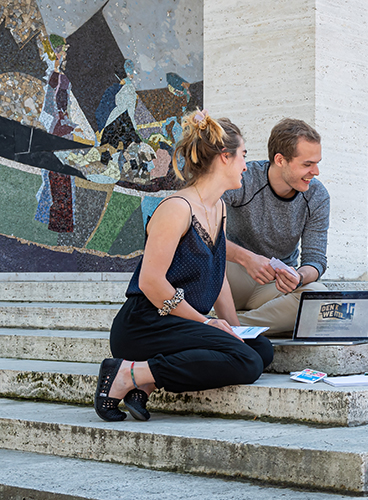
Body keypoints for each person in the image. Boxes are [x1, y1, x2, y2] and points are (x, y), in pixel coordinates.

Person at [97, 111, 273, 422]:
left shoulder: (217, 207)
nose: (246, 165)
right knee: (247, 362)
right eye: (243, 156)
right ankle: (129, 373)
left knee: (259, 349)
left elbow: (216, 275)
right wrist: (206, 324)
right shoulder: (176, 208)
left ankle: (148, 381)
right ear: (224, 157)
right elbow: (151, 282)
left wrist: (233, 328)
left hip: (180, 323)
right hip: (145, 324)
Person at [222, 119, 330, 334]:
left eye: (317, 163)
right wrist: (247, 258)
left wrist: (298, 277)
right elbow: (204, 235)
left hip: (274, 286)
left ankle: (231, 326)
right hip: (231, 276)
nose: (315, 171)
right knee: (204, 257)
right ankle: (237, 322)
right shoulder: (244, 178)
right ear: (280, 160)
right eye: (307, 164)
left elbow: (316, 261)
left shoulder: (317, 195)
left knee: (319, 295)